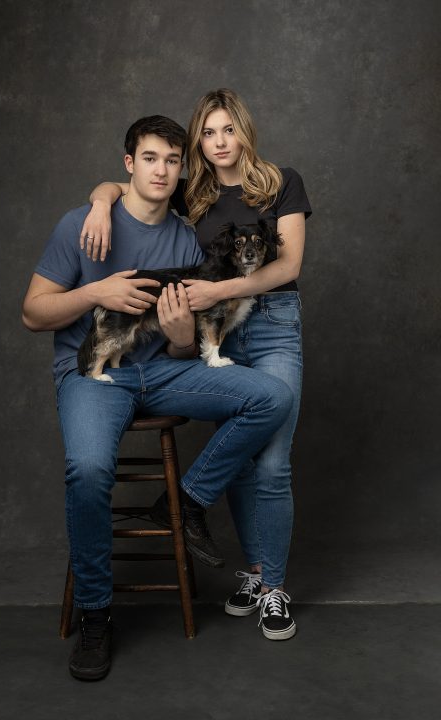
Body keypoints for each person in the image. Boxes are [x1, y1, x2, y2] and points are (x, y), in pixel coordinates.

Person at [22, 114, 293, 681]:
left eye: (173, 160)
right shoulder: (83, 221)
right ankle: (97, 616)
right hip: (96, 377)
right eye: (150, 158)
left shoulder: (186, 234)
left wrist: (178, 336)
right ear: (129, 165)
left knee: (270, 397)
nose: (162, 170)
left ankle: (187, 500)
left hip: (163, 374)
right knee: (90, 469)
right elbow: (32, 314)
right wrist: (96, 290)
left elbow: (186, 340)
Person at [81, 89, 312, 642]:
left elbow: (290, 265)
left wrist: (220, 291)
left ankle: (275, 588)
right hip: (216, 333)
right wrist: (97, 203)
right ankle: (254, 574)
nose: (219, 142)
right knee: (241, 441)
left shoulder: (282, 182)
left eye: (227, 129)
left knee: (273, 462)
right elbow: (121, 183)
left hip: (272, 321)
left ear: (244, 131)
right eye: (207, 134)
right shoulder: (197, 193)